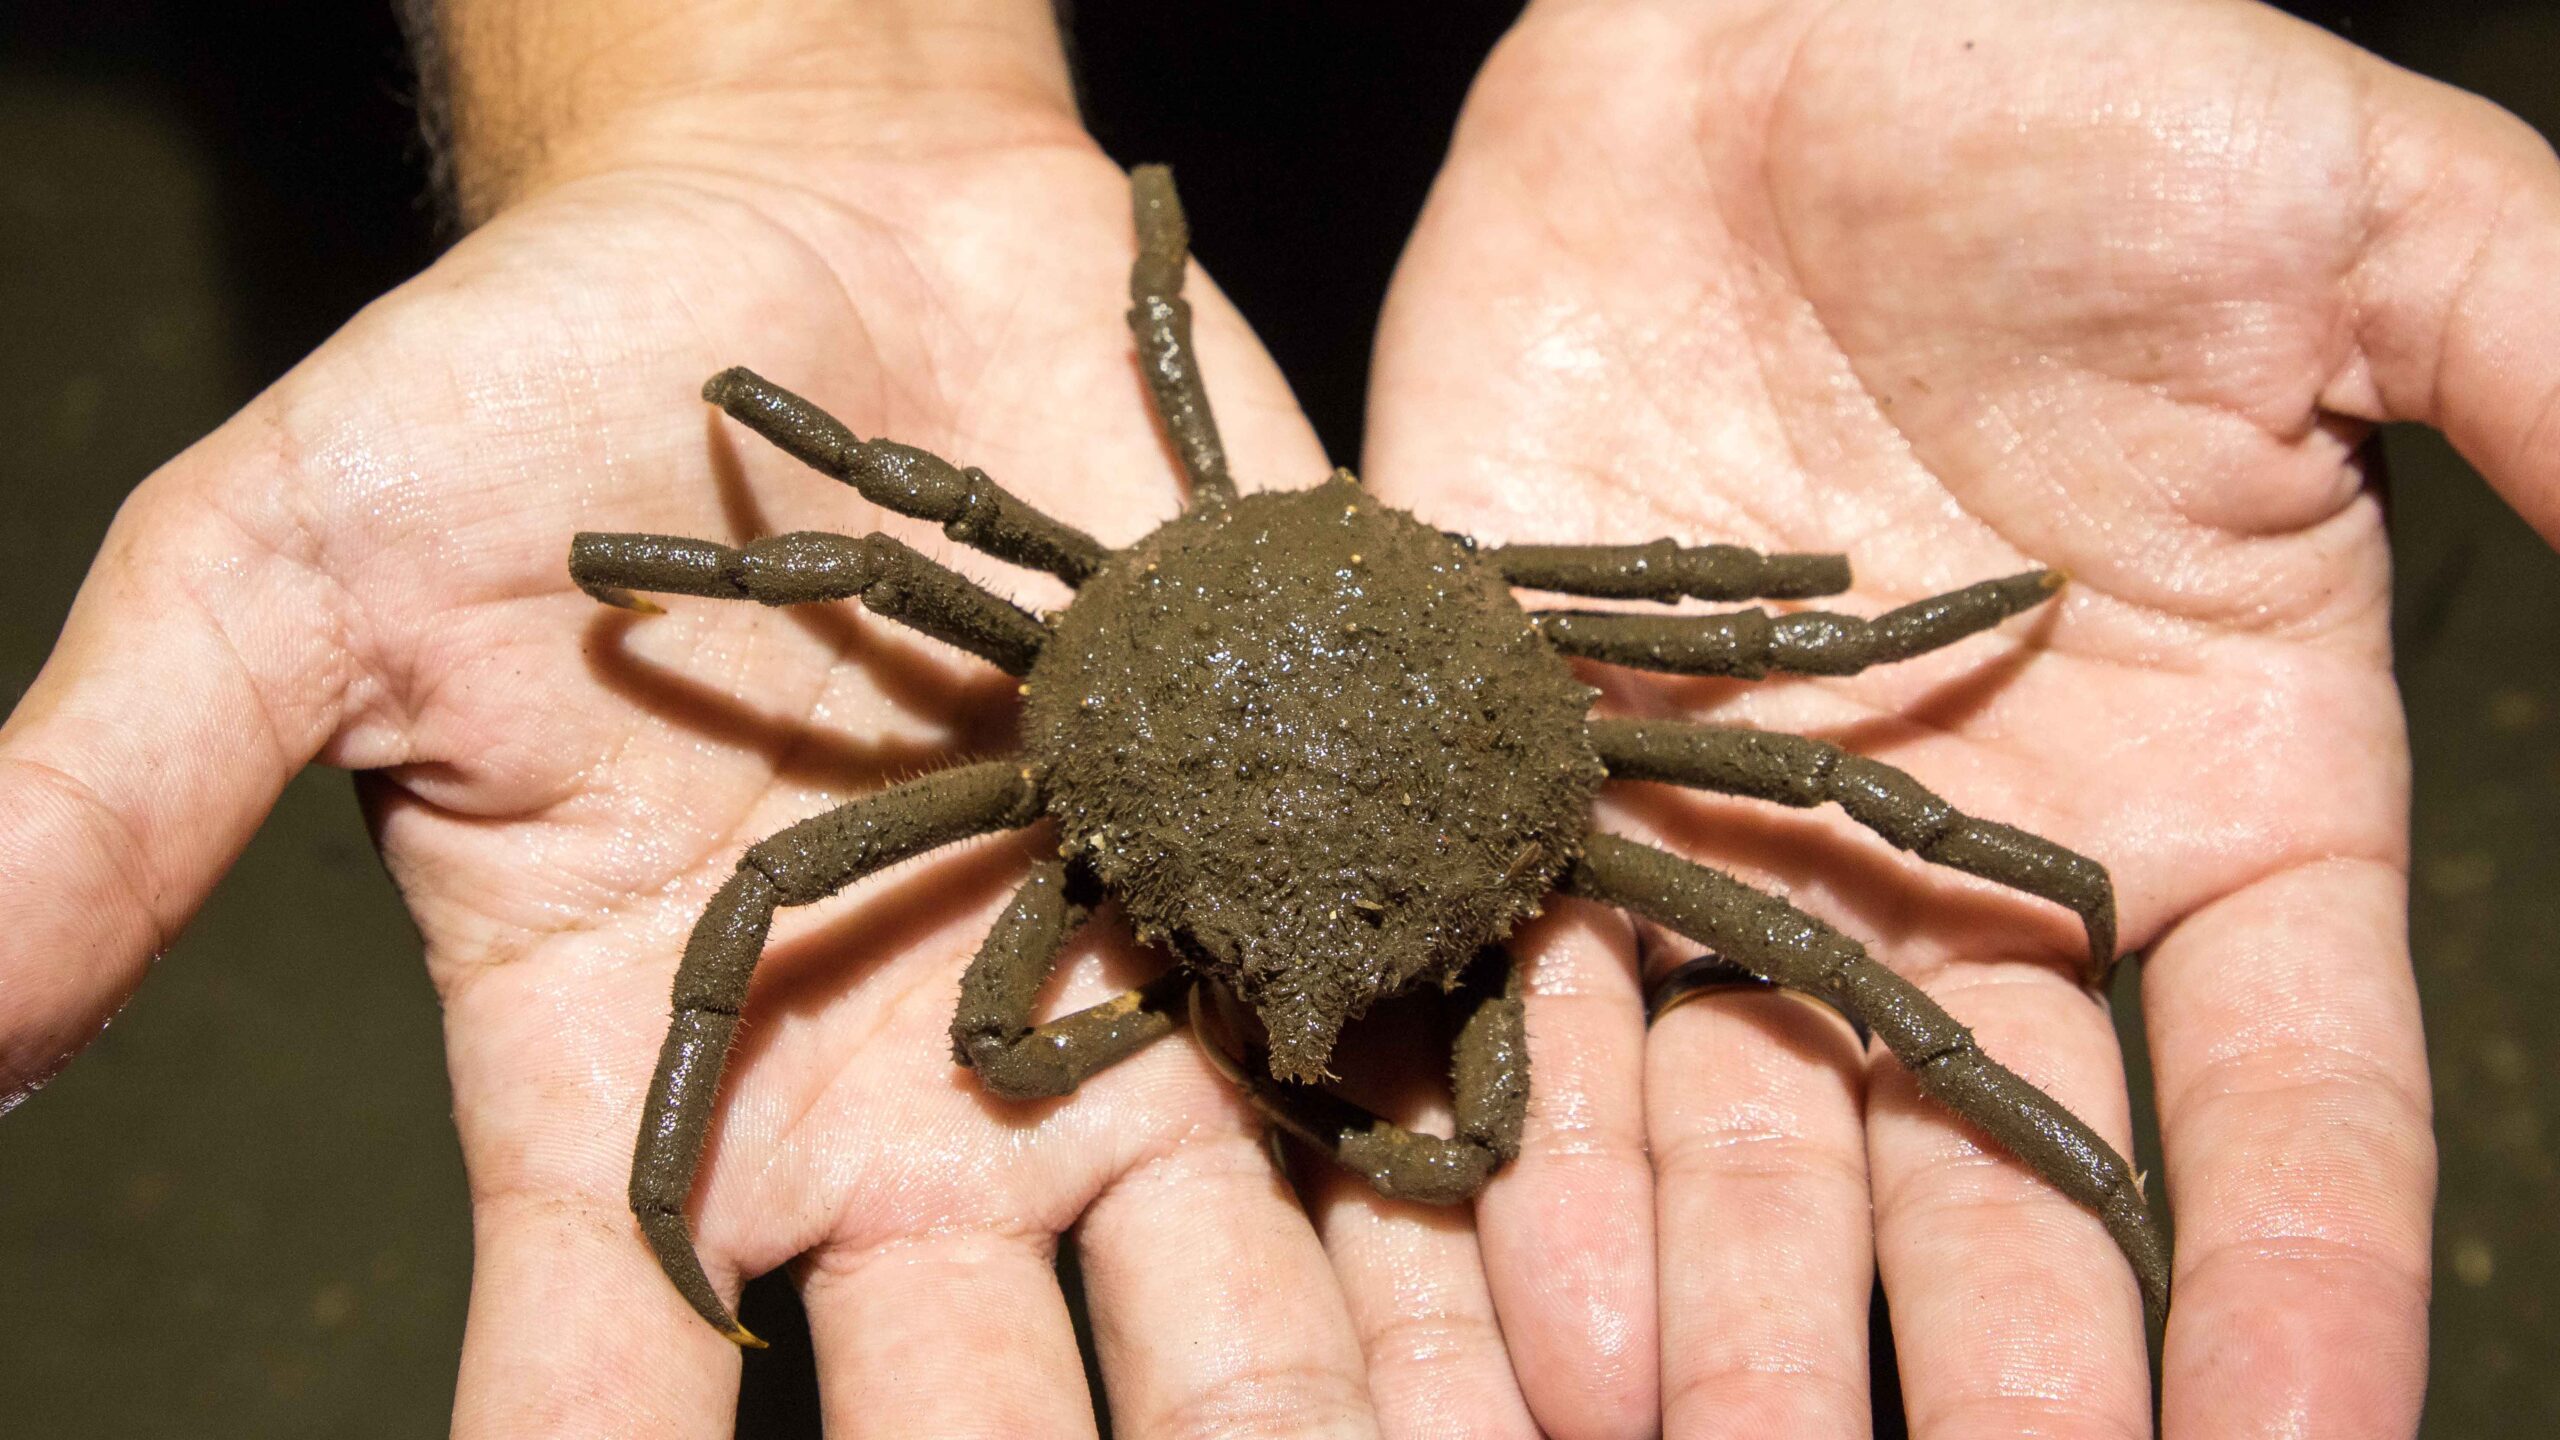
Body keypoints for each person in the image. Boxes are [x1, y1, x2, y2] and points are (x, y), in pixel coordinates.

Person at [2, 0, 2544, 1433]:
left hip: (1631, 238)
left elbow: (1822, 702)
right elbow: (799, 703)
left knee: (1846, 1017)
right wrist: (764, 85)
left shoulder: (1583, 735)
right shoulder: (1024, 719)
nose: (1315, 1026)